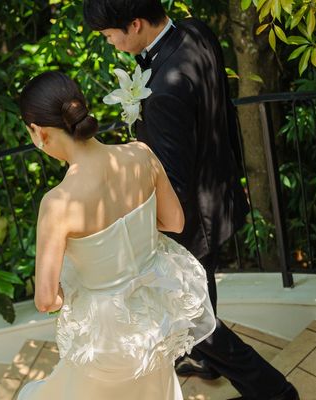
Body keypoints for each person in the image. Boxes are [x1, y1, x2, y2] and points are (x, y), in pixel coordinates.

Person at [83, 1, 299, 399]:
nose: (110, 42)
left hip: (191, 220)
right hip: (219, 191)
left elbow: (174, 181)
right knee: (202, 290)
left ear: (135, 24)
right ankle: (209, 364)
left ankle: (274, 391)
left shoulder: (165, 89)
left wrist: (145, 228)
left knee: (190, 320)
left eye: (110, 35)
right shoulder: (196, 31)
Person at [15, 71, 216, 400]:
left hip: (105, 335)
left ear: (38, 131)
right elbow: (175, 222)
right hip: (155, 318)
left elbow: (46, 300)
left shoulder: (58, 203)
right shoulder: (141, 154)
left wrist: (80, 284)